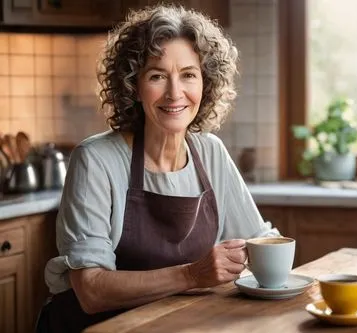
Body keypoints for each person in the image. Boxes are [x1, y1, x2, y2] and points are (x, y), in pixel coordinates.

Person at [36, 4, 279, 332]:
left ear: (206, 83)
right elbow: (91, 290)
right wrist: (193, 274)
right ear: (134, 85)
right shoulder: (96, 160)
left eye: (188, 75)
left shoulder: (210, 152)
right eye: (157, 76)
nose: (175, 93)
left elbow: (259, 240)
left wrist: (270, 259)